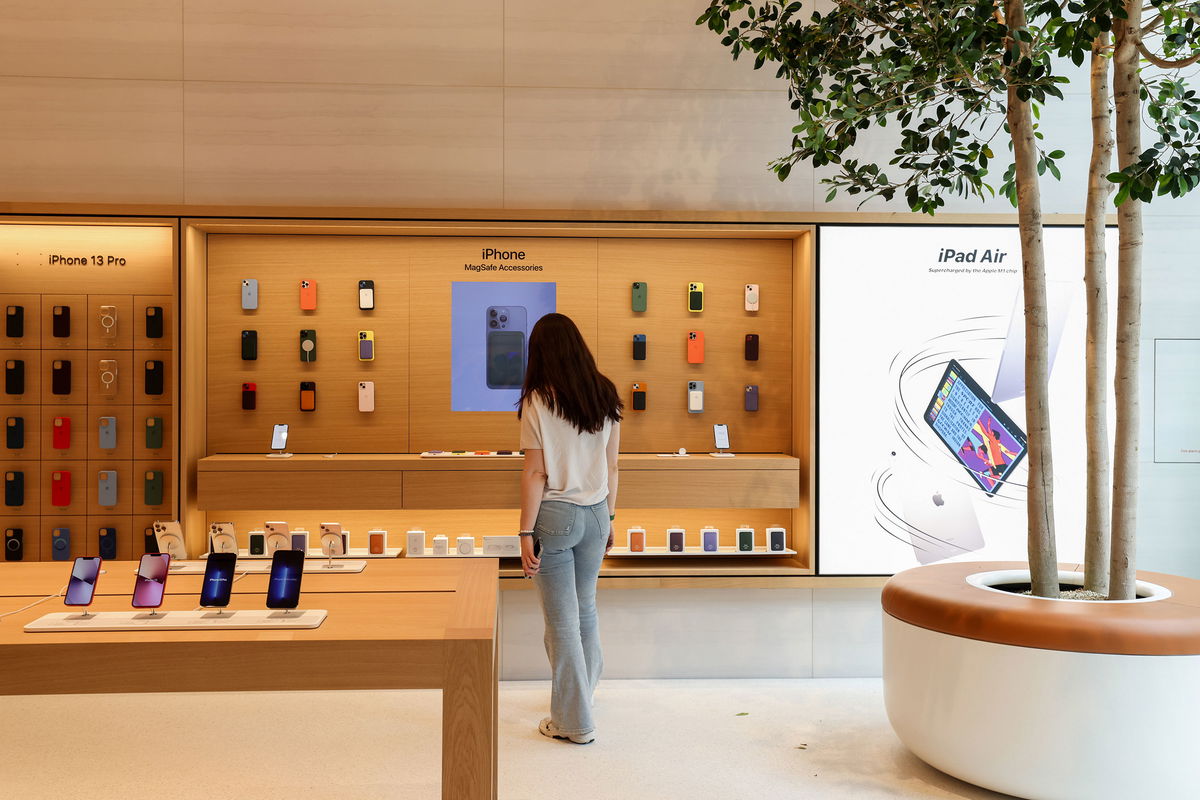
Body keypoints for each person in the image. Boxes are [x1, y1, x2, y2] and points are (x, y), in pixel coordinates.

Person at [517, 313, 622, 746]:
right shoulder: (604, 392)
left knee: (561, 621)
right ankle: (583, 697)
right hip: (598, 512)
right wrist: (611, 517)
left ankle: (574, 722)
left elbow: (536, 473)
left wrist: (525, 533)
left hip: (556, 518)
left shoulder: (537, 400)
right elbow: (613, 464)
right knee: (586, 611)